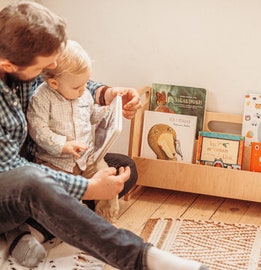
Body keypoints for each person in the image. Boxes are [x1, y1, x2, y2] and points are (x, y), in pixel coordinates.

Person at [0, 1, 209, 270]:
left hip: (38, 166)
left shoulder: (22, 67)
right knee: (34, 181)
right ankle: (141, 258)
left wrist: (107, 94)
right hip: (15, 179)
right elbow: (12, 170)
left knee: (123, 168)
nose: (52, 65)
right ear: (7, 64)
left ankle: (32, 231)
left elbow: (60, 79)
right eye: (44, 65)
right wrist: (89, 188)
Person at [27, 39, 119, 224]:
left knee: (109, 175)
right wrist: (63, 145)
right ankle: (73, 219)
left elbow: (90, 114)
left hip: (87, 158)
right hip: (56, 162)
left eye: (85, 84)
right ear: (54, 83)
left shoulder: (83, 93)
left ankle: (105, 219)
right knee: (62, 195)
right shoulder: (41, 98)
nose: (84, 90)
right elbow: (38, 130)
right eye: (78, 87)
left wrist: (105, 113)